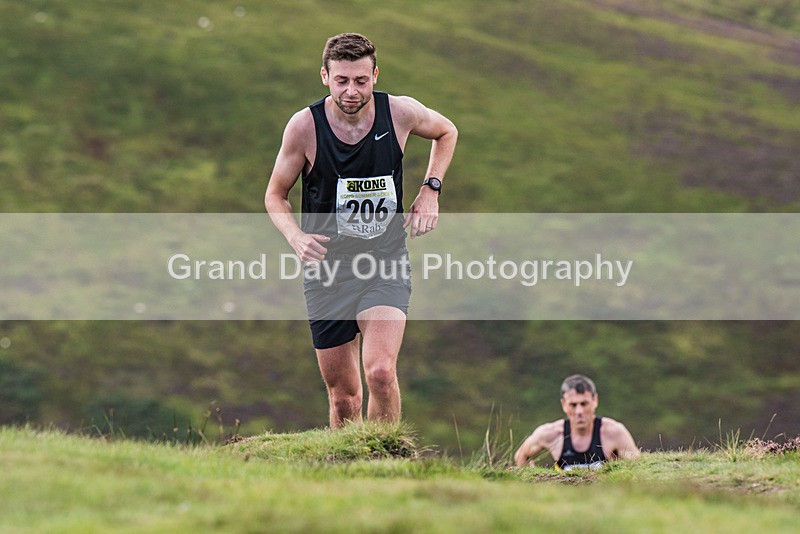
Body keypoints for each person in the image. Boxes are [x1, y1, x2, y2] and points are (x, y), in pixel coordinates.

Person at [264, 33, 458, 429]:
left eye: (361, 81)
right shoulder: (304, 127)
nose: (351, 91)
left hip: (383, 265)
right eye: (341, 81)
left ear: (375, 75)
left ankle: (385, 462)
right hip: (328, 273)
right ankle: (348, 477)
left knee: (381, 374)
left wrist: (430, 189)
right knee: (344, 398)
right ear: (325, 76)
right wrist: (295, 236)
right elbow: (275, 195)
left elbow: (447, 131)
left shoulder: (400, 113)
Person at [514, 374, 640, 470]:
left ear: (595, 400)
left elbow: (638, 468)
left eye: (584, 404)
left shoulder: (614, 432)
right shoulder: (550, 433)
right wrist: (534, 482)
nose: (579, 411)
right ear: (564, 404)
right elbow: (521, 456)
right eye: (573, 405)